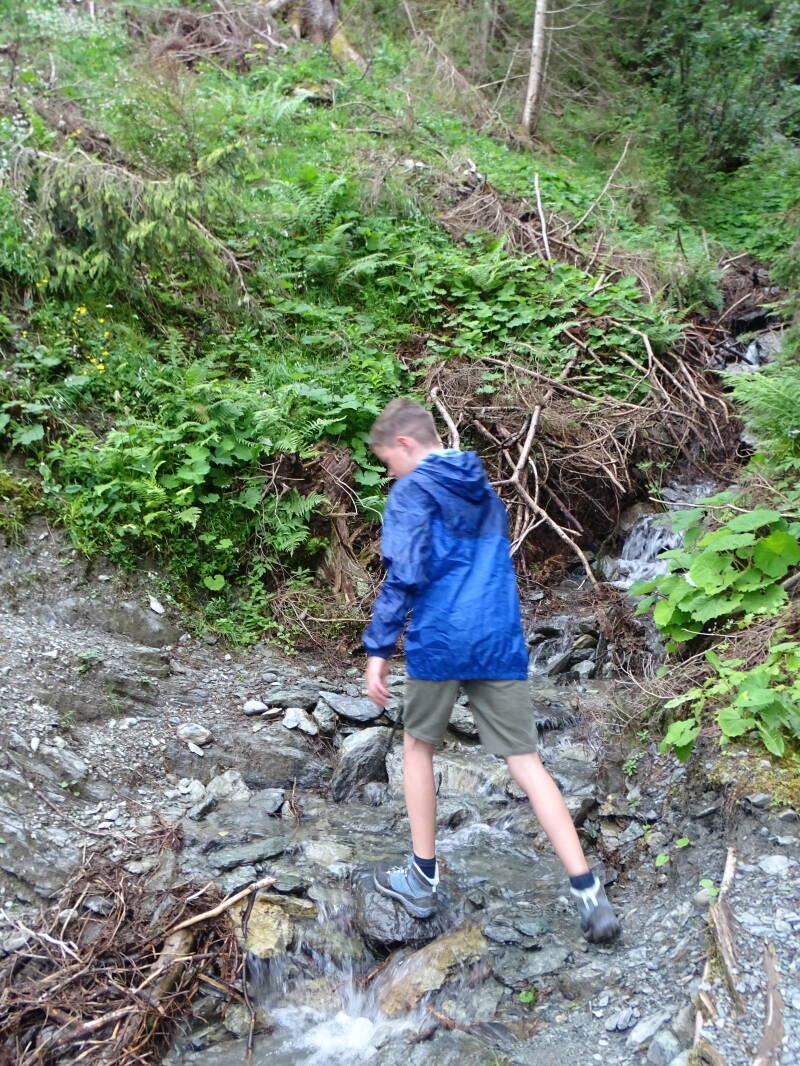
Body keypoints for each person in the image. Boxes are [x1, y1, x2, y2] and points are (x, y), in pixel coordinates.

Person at [362, 398, 620, 944]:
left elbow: (403, 574)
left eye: (387, 461)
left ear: (405, 443)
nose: (390, 473)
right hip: (498, 636)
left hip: (441, 637)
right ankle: (589, 893)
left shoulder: (412, 491)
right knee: (526, 762)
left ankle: (422, 877)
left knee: (417, 746)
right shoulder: (483, 489)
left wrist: (378, 649)